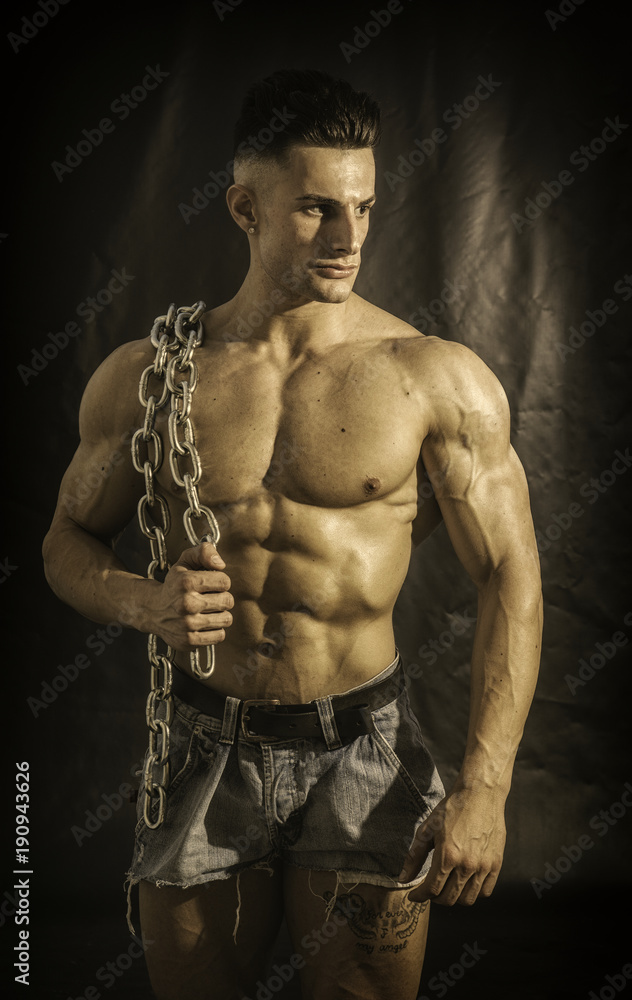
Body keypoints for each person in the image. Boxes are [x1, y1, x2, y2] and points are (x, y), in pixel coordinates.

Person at [42, 69, 543, 1000]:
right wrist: (141, 600)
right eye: (317, 209)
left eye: (363, 206)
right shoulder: (147, 376)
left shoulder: (433, 378)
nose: (350, 237)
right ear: (243, 206)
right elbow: (65, 540)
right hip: (202, 748)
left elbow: (511, 572)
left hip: (366, 750)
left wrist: (486, 788)